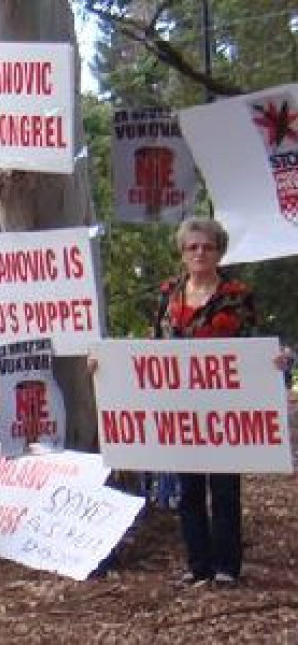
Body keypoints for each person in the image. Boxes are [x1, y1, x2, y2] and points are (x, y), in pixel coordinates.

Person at [154, 218, 258, 586]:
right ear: (182, 253)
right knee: (189, 488)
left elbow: (251, 348)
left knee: (225, 488)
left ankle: (227, 567)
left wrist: (274, 362)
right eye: (192, 247)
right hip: (180, 407)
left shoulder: (237, 294)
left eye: (207, 247)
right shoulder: (168, 292)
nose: (200, 253)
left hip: (224, 406)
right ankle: (198, 566)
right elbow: (153, 350)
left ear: (219, 251)